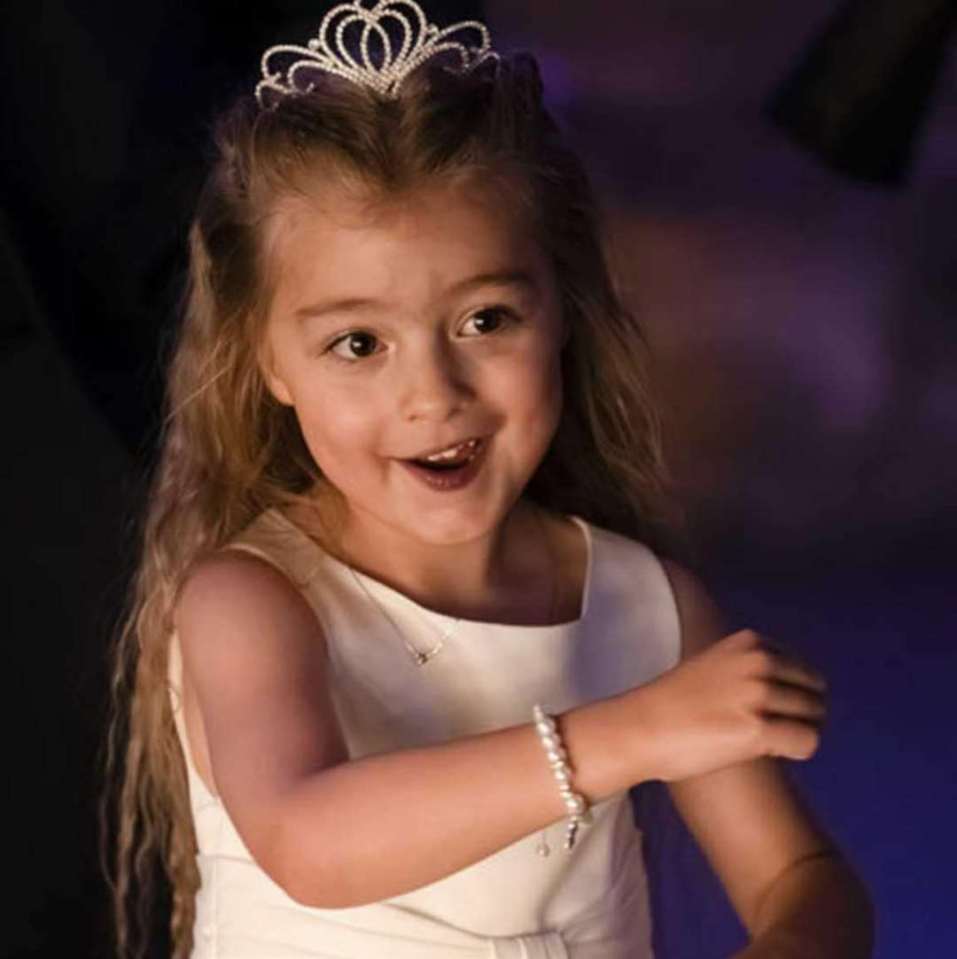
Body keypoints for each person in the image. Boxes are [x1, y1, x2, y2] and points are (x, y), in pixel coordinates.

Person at [102, 3, 875, 957]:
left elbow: (800, 879)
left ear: (562, 308)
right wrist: (629, 732)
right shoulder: (256, 599)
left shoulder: (641, 602)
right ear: (268, 362)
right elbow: (310, 842)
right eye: (357, 343)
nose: (433, 394)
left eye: (485, 321)